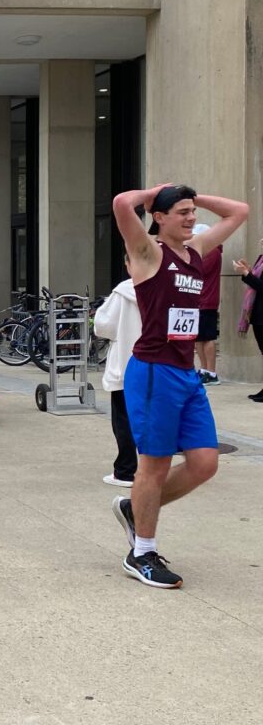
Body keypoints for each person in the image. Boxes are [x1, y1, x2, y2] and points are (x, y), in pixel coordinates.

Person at [111, 183, 248, 588]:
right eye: (182, 212)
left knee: (205, 463)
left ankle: (134, 508)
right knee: (154, 466)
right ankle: (142, 553)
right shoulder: (148, 252)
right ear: (158, 217)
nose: (191, 218)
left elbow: (239, 209)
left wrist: (192, 196)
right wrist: (156, 192)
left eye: (193, 212)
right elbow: (122, 204)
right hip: (153, 371)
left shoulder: (196, 251)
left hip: (186, 374)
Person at [94, 254, 141, 488]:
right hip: (158, 365)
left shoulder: (124, 291)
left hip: (126, 361)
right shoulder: (165, 289)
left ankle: (125, 470)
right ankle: (156, 471)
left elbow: (103, 326)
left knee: (123, 419)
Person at [191, 223, 222, 385]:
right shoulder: (201, 252)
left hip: (207, 301)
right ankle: (204, 369)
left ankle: (212, 372)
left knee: (208, 337)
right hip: (197, 300)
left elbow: (197, 270)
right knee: (198, 337)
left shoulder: (212, 252)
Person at [233, 240, 263, 400]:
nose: (261, 241)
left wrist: (247, 274)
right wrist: (248, 271)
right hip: (257, 314)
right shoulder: (261, 258)